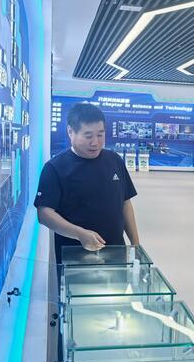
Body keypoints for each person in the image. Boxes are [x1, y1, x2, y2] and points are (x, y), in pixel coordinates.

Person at [34, 102, 140, 262]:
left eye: (100, 134)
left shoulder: (115, 160)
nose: (95, 142)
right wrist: (79, 234)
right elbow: (44, 214)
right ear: (70, 132)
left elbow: (125, 202)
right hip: (74, 256)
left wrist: (135, 244)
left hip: (116, 251)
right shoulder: (55, 168)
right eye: (88, 136)